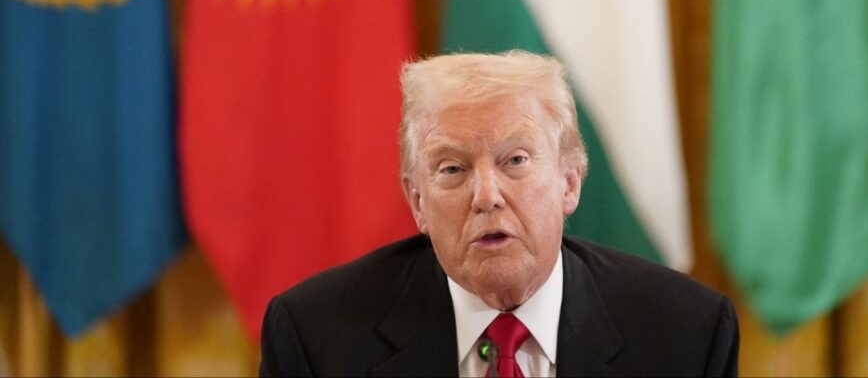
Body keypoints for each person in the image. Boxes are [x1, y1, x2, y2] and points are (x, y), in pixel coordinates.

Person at [260, 51, 739, 377]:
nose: (486, 195)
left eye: (516, 161)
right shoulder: (316, 337)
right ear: (417, 201)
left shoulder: (686, 333)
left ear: (569, 182)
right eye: (452, 168)